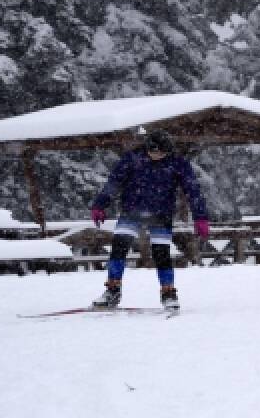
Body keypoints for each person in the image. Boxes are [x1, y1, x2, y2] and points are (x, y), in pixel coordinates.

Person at [89, 130, 210, 310]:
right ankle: (112, 290)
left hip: (161, 213)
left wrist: (200, 217)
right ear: (148, 148)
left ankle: (168, 293)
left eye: (162, 153)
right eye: (154, 152)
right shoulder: (132, 159)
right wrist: (99, 205)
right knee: (118, 247)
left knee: (161, 253)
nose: (157, 156)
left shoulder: (177, 163)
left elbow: (192, 190)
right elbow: (114, 183)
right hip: (132, 210)